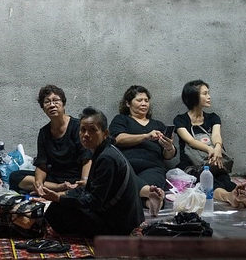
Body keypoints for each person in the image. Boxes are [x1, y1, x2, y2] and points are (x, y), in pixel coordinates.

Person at [38, 106, 145, 237]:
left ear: (105, 133)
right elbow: (90, 190)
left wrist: (59, 197)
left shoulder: (107, 158)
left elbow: (94, 201)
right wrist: (62, 194)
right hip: (119, 217)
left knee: (57, 210)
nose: (86, 135)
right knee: (62, 203)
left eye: (92, 130)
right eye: (83, 130)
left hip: (118, 226)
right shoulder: (104, 151)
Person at [174, 80, 246, 208]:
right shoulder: (180, 120)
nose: (209, 97)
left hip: (214, 161)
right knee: (204, 179)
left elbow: (216, 135)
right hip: (192, 164)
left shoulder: (213, 117)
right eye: (205, 93)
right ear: (194, 97)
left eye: (208, 93)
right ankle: (228, 196)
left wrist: (217, 148)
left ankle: (238, 193)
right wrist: (210, 149)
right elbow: (190, 141)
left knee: (224, 178)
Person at [9, 85, 91, 195]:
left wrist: (84, 181)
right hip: (54, 179)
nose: (52, 105)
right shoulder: (44, 132)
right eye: (47, 102)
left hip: (76, 178)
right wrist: (38, 183)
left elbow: (87, 159)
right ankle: (58, 188)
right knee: (15, 177)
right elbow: (42, 165)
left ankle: (68, 190)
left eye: (56, 100)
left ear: (63, 104)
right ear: (43, 108)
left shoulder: (77, 127)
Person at [109, 85, 172, 216]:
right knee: (121, 177)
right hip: (127, 164)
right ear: (128, 103)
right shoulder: (121, 120)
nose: (144, 104)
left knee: (151, 180)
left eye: (146, 100)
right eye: (139, 100)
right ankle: (150, 193)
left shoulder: (158, 125)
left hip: (152, 166)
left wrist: (169, 147)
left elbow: (168, 156)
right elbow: (118, 139)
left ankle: (152, 201)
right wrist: (145, 136)